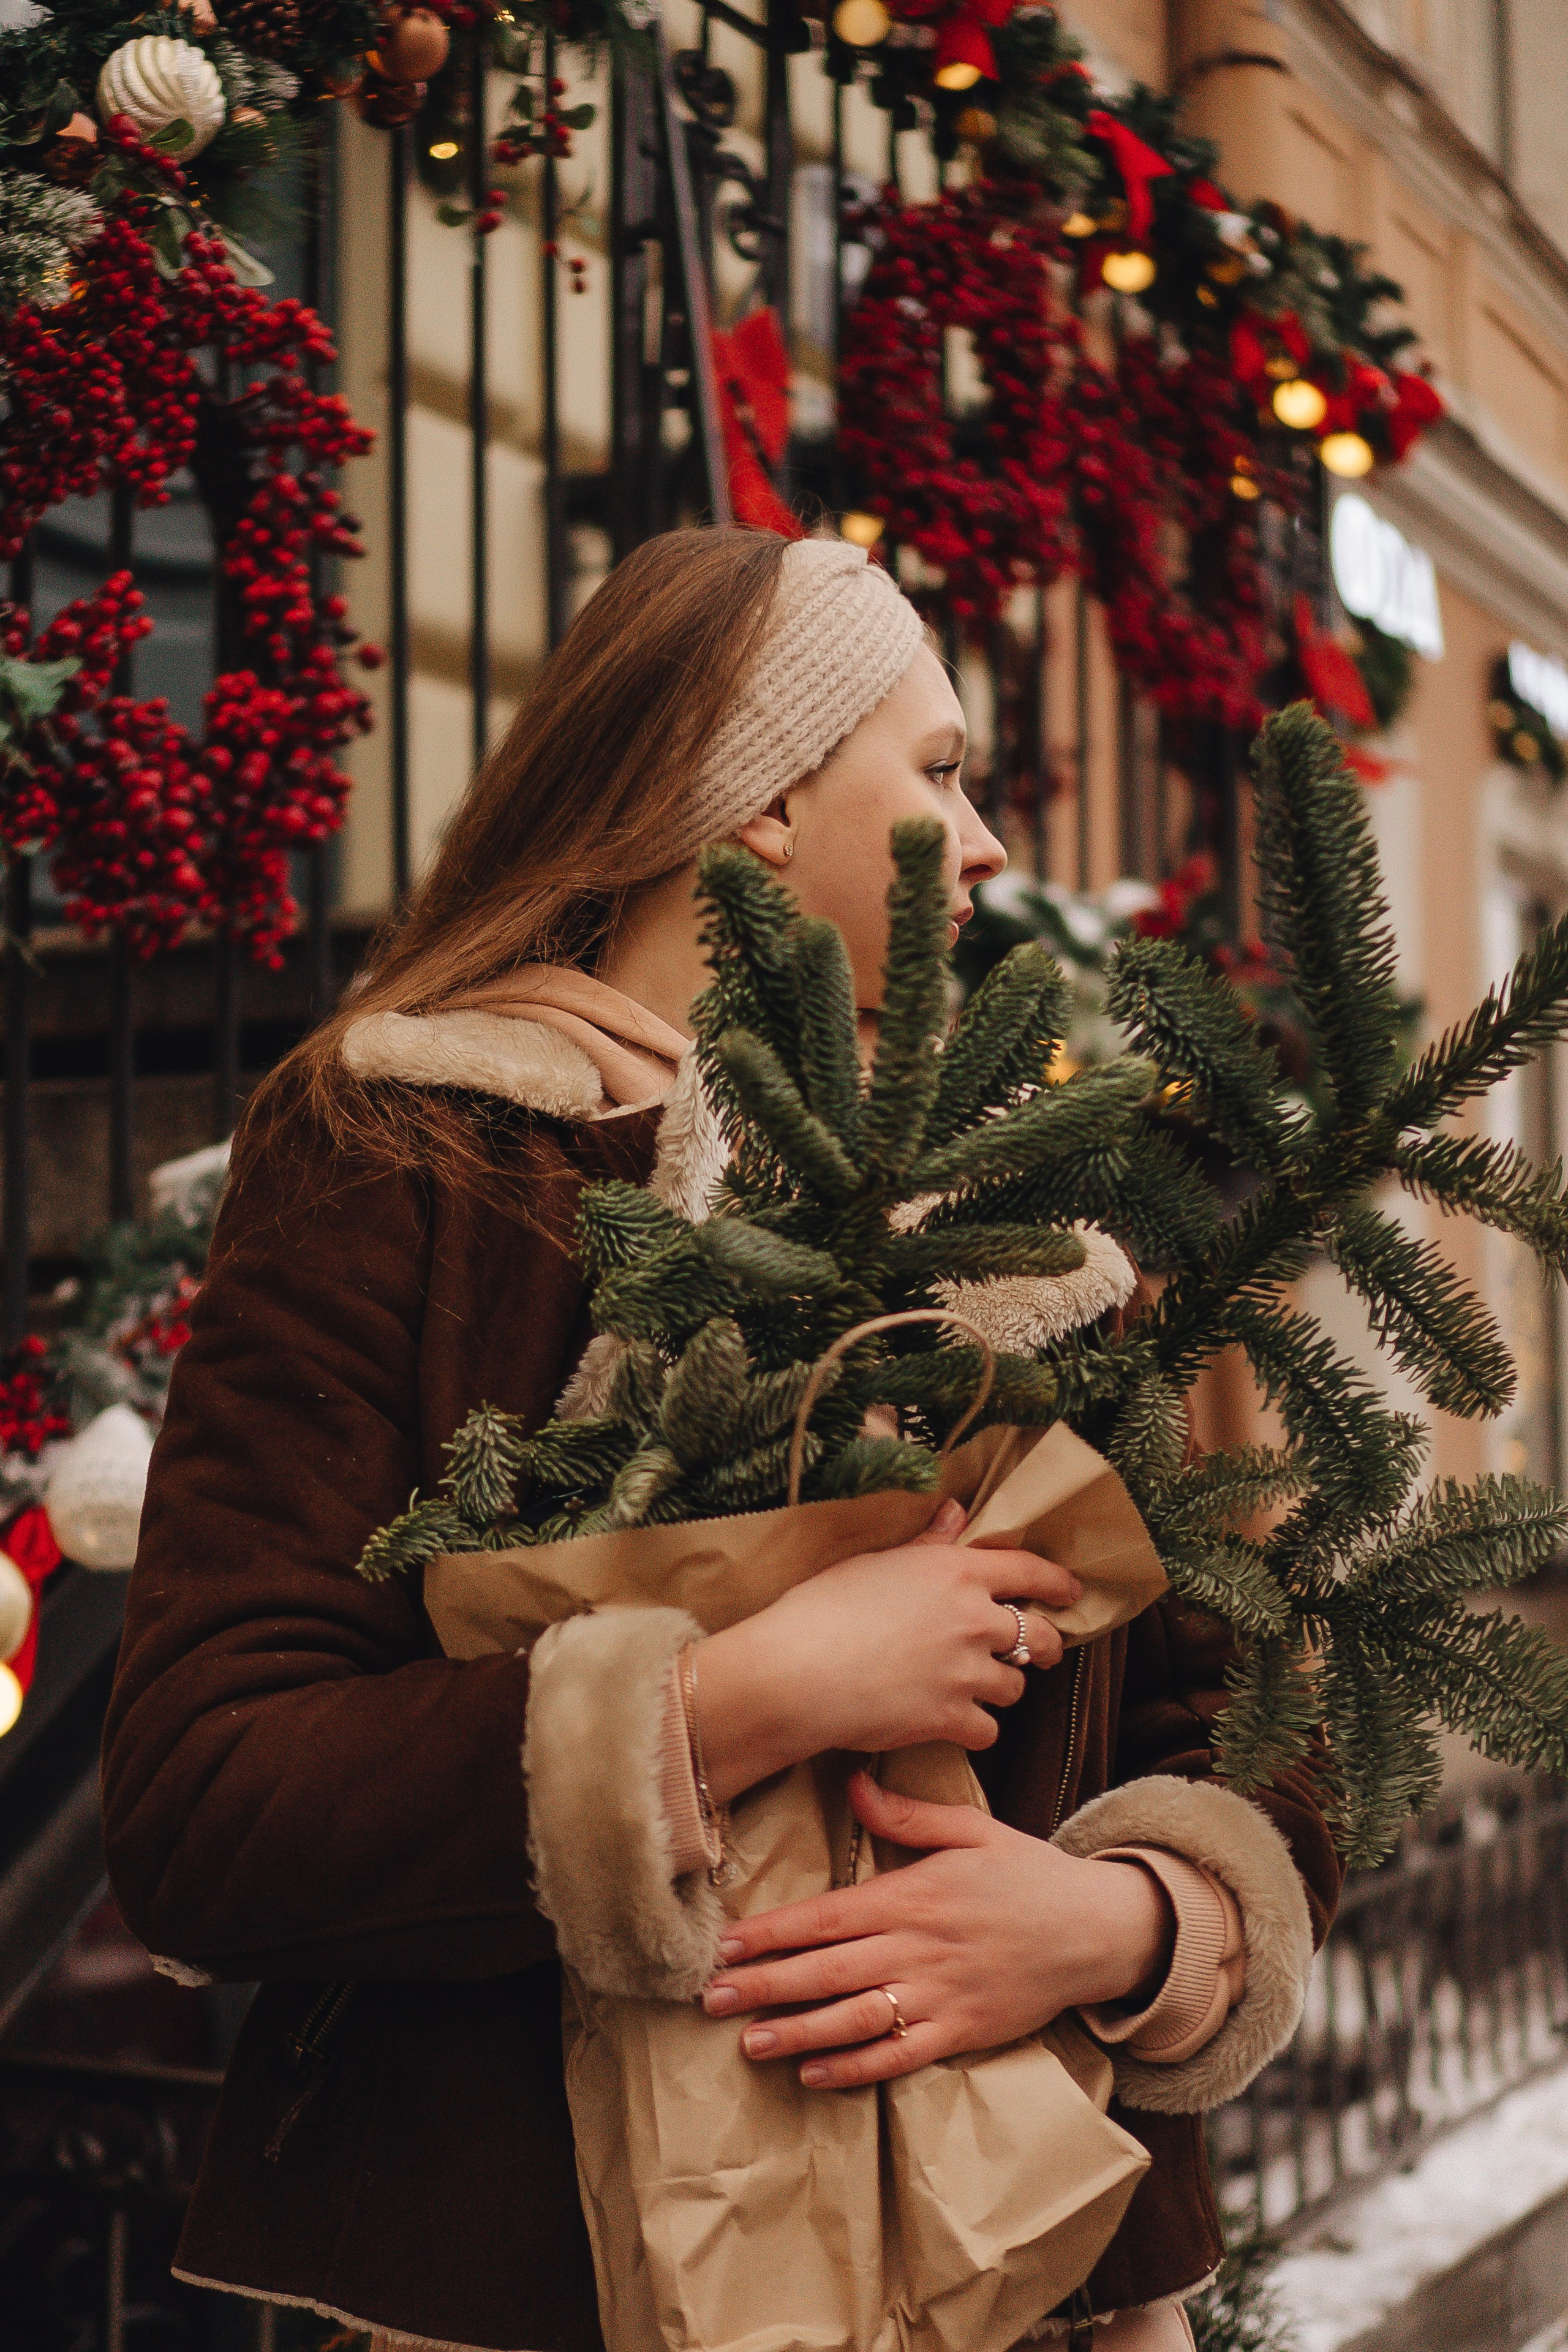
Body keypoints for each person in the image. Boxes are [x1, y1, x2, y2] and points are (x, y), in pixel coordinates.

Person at [102, 528, 1339, 2352]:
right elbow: (207, 1805)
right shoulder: (410, 1158)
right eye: (936, 771)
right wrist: (739, 1695)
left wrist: (1133, 1931)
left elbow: (1245, 1742)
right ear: (759, 801)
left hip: (1035, 2287)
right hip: (559, 2294)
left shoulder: (1022, 1229)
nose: (991, 844)